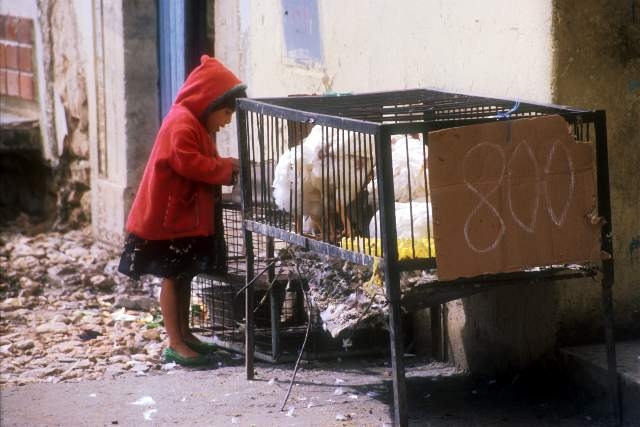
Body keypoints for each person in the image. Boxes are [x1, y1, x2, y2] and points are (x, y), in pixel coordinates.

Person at [118, 55, 246, 366]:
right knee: (173, 278)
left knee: (184, 276)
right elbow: (189, 163)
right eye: (227, 113)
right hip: (168, 222)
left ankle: (185, 335)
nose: (227, 121)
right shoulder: (181, 122)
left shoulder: (194, 122)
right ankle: (175, 342)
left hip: (180, 220)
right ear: (209, 103)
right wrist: (226, 167)